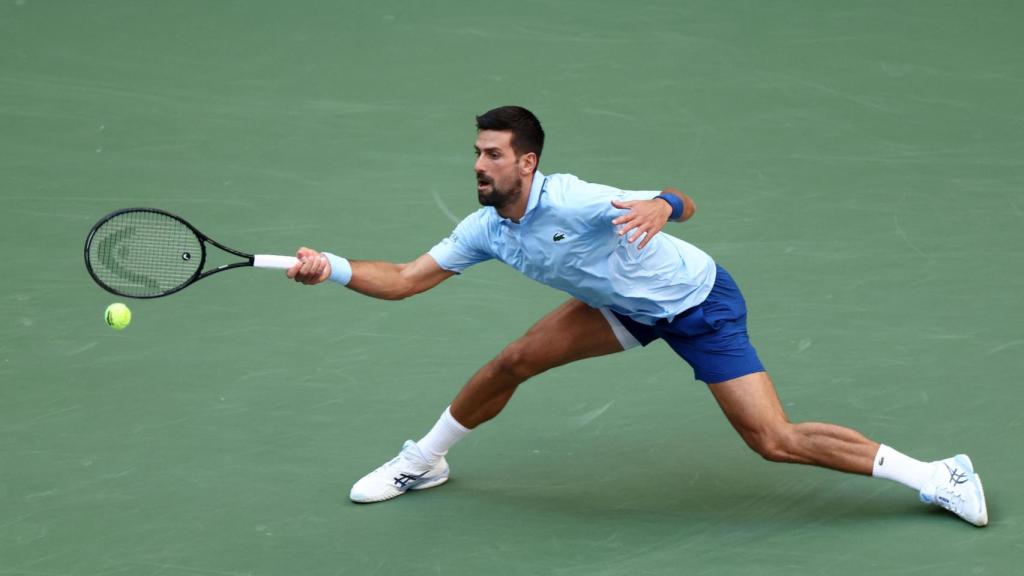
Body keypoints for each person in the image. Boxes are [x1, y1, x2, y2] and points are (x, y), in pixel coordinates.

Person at [286, 106, 988, 527]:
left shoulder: (575, 198)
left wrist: (662, 206)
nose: (479, 164)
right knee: (514, 361)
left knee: (772, 440)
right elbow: (407, 280)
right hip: (622, 306)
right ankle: (423, 461)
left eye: (493, 155)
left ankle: (937, 475)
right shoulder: (486, 230)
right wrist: (335, 267)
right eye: (476, 152)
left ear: (526, 163)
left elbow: (679, 198)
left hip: (698, 304)